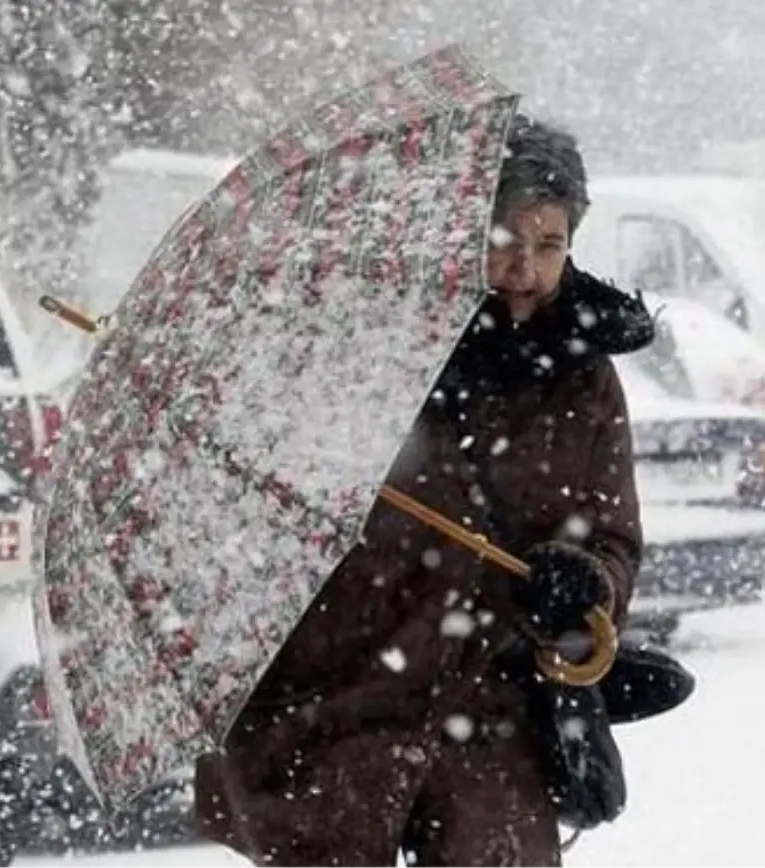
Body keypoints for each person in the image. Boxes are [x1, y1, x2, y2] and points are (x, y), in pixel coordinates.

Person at [194, 114, 655, 867]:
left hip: (495, 703)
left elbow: (613, 535)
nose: (528, 272)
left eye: (551, 245)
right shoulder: (370, 349)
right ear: (466, 236)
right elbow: (282, 505)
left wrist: (585, 585)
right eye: (509, 242)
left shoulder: (585, 375)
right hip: (348, 692)